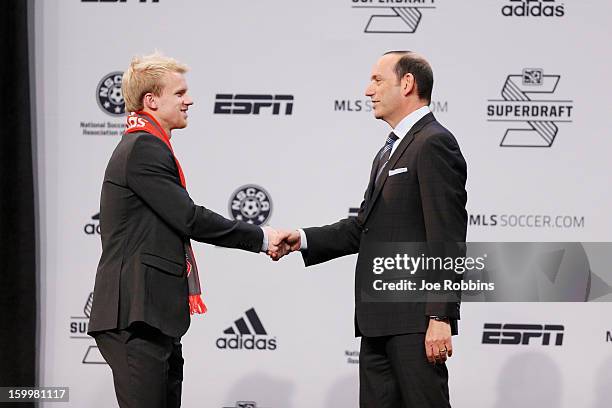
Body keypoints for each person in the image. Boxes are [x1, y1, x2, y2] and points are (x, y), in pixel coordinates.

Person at [87, 52, 287, 408]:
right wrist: (260, 237)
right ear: (151, 100)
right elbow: (190, 219)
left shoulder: (146, 146)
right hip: (135, 314)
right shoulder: (143, 148)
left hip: (153, 315)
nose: (189, 100)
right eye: (179, 93)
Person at [278, 51, 467, 407]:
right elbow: (363, 228)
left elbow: (447, 237)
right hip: (377, 321)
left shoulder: (434, 143)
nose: (368, 90)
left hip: (415, 322)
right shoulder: (387, 153)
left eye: (377, 80)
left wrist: (440, 316)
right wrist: (302, 239)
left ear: (407, 84)